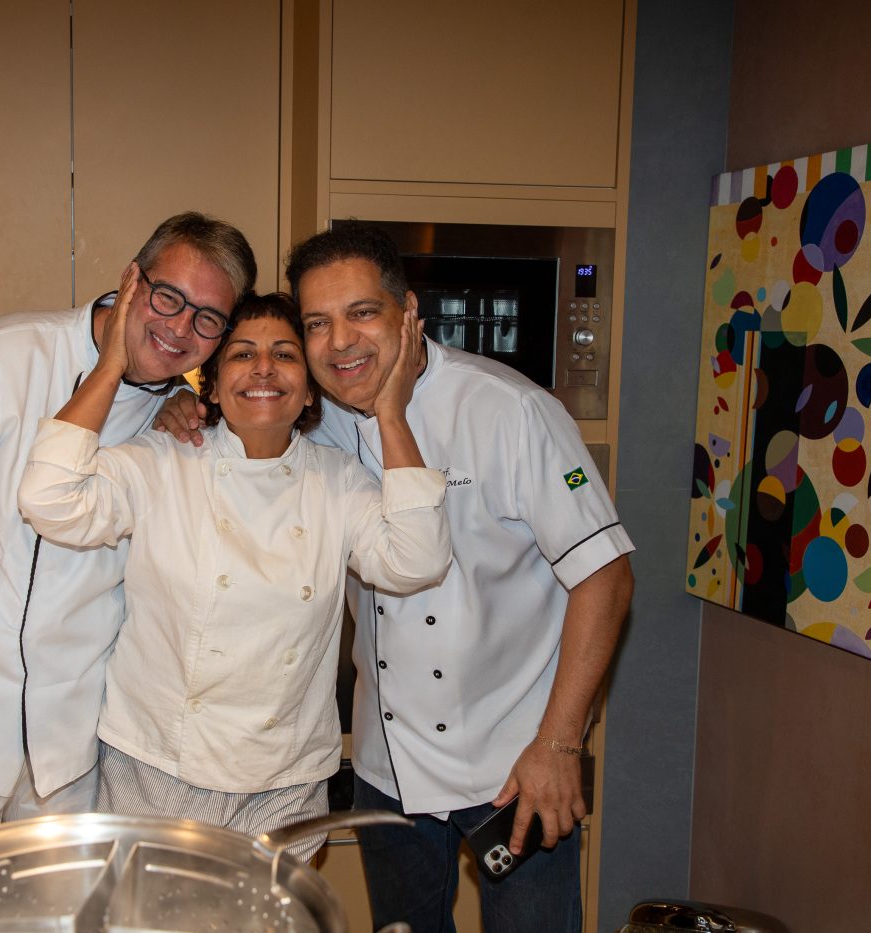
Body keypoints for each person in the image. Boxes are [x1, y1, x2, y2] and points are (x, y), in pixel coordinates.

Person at [158, 224, 634, 932]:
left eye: (362, 313)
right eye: (316, 323)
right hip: (389, 768)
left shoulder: (510, 411)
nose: (339, 342)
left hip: (515, 762)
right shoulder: (313, 420)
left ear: (408, 314)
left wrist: (560, 744)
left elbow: (606, 574)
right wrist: (181, 406)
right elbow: (243, 424)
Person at [0, 212, 256, 824]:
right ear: (132, 281)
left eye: (208, 319)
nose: (180, 329)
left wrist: (176, 401)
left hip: (71, 749)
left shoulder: (177, 417)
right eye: (168, 297)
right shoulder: (3, 359)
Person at [17, 285, 451, 860]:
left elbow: (417, 561)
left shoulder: (338, 481)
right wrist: (113, 363)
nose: (264, 369)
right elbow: (49, 499)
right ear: (214, 385)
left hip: (286, 779)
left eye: (286, 354)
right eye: (243, 353)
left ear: (309, 388)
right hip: (158, 767)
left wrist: (390, 413)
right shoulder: (164, 460)